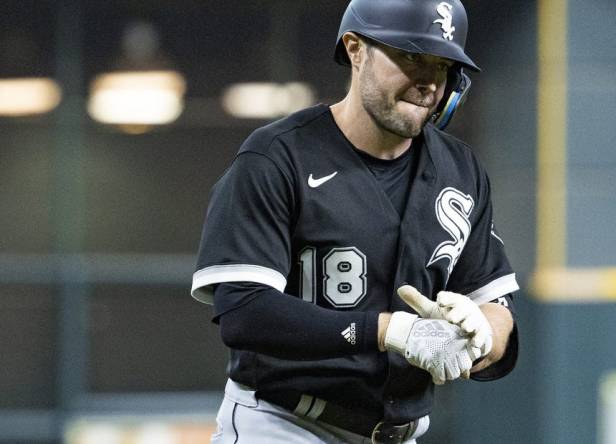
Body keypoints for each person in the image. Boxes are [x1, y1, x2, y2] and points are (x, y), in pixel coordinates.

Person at [191, 0, 520, 442]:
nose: (428, 81)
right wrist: (389, 331)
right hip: (284, 425)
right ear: (355, 49)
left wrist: (481, 334)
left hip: (401, 433)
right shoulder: (277, 156)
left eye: (442, 66)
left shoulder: (460, 170)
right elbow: (243, 312)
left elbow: (498, 308)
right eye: (410, 56)